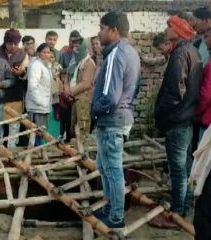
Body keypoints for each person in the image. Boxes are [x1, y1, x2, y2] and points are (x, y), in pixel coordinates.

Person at [91, 11, 140, 228]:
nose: (99, 33)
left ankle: (116, 217)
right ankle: (111, 209)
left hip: (112, 120)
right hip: (120, 117)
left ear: (114, 30)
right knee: (105, 166)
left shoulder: (114, 54)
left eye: (102, 28)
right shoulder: (131, 52)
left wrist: (94, 109)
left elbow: (110, 97)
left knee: (112, 169)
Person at [154, 15, 201, 220]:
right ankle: (187, 202)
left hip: (177, 119)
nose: (167, 30)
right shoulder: (192, 51)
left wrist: (162, 114)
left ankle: (178, 211)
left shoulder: (180, 53)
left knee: (178, 170)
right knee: (185, 167)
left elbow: (175, 91)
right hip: (186, 117)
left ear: (178, 30)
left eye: (169, 26)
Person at [0, 29, 29, 148]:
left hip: (15, 94)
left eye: (16, 44)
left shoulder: (23, 54)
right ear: (5, 42)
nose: (13, 46)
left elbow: (26, 72)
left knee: (14, 125)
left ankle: (11, 150)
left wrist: (21, 73)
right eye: (10, 43)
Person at [62, 37, 96, 143]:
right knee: (74, 127)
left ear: (84, 47)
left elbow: (86, 84)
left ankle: (83, 155)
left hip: (84, 99)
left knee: (82, 127)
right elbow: (67, 77)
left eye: (78, 46)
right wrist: (66, 88)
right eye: (74, 46)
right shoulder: (76, 62)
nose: (75, 49)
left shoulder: (89, 63)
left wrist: (70, 91)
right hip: (74, 99)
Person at [26, 43, 52, 145]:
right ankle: (35, 155)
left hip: (43, 106)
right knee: (37, 133)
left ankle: (40, 154)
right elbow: (33, 86)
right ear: (39, 53)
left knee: (41, 133)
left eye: (48, 52)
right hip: (36, 107)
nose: (46, 54)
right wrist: (40, 102)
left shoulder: (45, 66)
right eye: (44, 52)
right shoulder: (36, 66)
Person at [59, 30, 81, 143]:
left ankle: (73, 139)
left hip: (78, 91)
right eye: (71, 41)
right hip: (66, 91)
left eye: (76, 42)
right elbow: (60, 71)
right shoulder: (64, 55)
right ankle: (64, 138)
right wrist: (69, 70)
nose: (73, 44)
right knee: (65, 116)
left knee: (76, 118)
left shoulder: (82, 56)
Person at [196, 27, 211, 140]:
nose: (205, 41)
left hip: (208, 119)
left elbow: (206, 94)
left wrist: (197, 112)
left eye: (207, 37)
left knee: (202, 156)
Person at [48, 50, 63, 138]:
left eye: (52, 57)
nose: (50, 58)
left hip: (55, 95)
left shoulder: (57, 66)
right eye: (49, 56)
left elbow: (57, 78)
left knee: (55, 115)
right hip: (46, 96)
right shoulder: (44, 65)